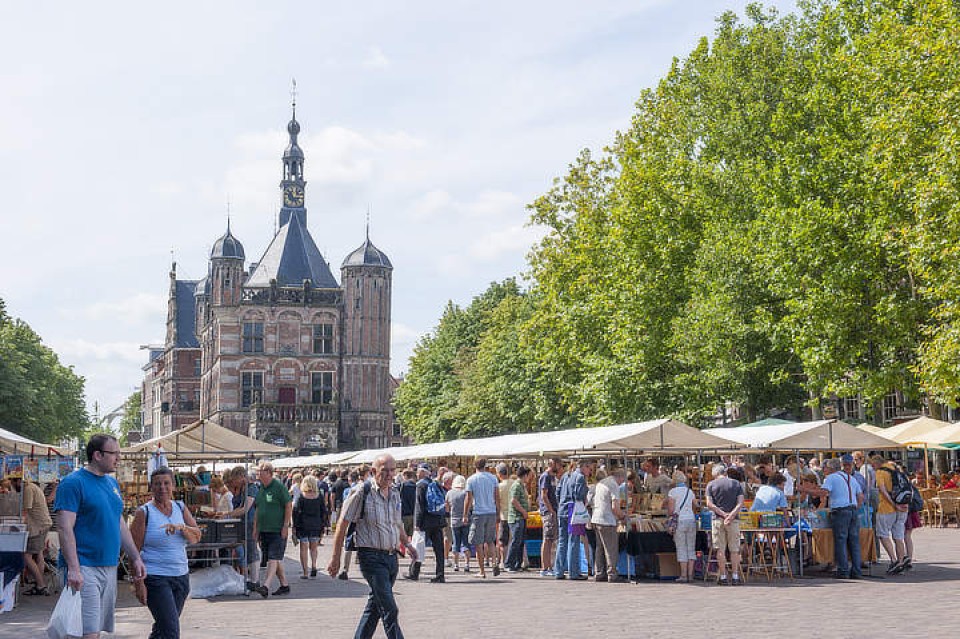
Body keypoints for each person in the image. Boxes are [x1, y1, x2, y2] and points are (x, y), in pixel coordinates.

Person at [56, 434, 147, 639]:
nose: (119, 458)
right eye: (114, 453)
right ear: (97, 455)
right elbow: (64, 527)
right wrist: (74, 568)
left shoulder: (112, 484)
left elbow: (119, 523)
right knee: (88, 632)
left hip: (109, 566)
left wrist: (135, 557)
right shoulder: (73, 483)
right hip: (84, 565)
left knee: (93, 629)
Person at [327, 454, 417, 639]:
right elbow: (342, 525)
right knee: (390, 609)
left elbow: (396, 523)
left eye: (393, 470)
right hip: (371, 557)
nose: (390, 475)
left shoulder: (394, 492)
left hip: (391, 557)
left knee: (375, 607)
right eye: (385, 471)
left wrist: (407, 544)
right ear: (373, 471)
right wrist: (335, 558)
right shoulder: (362, 492)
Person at [130, 467, 202, 639]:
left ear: (173, 487)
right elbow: (134, 552)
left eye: (166, 483)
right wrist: (138, 584)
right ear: (151, 487)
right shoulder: (144, 512)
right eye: (157, 484)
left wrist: (182, 528)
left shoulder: (180, 507)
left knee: (163, 628)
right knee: (171, 630)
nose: (162, 487)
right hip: (156, 578)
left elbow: (197, 537)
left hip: (181, 577)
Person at [811, 457, 864, 579]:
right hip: (853, 510)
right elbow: (860, 497)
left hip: (840, 511)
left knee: (841, 541)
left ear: (830, 469)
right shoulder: (851, 478)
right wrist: (855, 507)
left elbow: (823, 493)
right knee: (854, 542)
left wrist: (805, 490)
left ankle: (843, 570)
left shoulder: (831, 478)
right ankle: (856, 571)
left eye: (825, 468)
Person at [252, 461, 292, 597]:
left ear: (268, 473)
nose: (257, 474)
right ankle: (284, 585)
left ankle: (266, 585)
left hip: (277, 529)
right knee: (274, 558)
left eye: (260, 472)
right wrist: (256, 528)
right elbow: (258, 508)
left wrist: (286, 526)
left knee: (273, 558)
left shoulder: (279, 487)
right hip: (265, 529)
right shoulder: (261, 488)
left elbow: (288, 505)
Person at [705, 463, 744, 585]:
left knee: (720, 549)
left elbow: (709, 504)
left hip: (717, 519)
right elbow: (740, 502)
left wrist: (722, 514)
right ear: (725, 472)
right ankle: (735, 576)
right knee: (734, 549)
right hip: (734, 520)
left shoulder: (710, 485)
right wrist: (731, 515)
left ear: (715, 474)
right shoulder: (736, 484)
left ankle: (722, 576)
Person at [406, 464, 445, 582]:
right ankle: (440, 574)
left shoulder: (420, 485)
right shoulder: (436, 484)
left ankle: (414, 573)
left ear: (423, 473)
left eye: (418, 472)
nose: (417, 474)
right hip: (437, 520)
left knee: (418, 546)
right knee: (439, 549)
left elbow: (419, 505)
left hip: (425, 522)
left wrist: (417, 523)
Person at [462, 458, 500, 579]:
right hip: (491, 511)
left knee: (478, 543)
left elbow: (468, 498)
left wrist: (465, 514)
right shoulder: (493, 478)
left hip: (478, 512)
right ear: (485, 466)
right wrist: (498, 512)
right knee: (490, 540)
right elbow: (497, 496)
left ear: (475, 466)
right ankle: (494, 562)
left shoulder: (471, 479)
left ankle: (482, 571)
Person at [872, 455, 909, 574]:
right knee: (898, 536)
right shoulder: (896, 468)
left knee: (883, 534)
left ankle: (893, 559)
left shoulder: (880, 472)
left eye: (873, 465)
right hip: (903, 506)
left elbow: (882, 490)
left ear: (876, 464)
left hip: (886, 508)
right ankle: (901, 561)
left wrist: (893, 504)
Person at [557, 459, 592, 581]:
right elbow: (578, 495)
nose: (590, 471)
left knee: (562, 541)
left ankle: (559, 571)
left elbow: (558, 492)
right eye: (589, 468)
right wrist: (587, 491)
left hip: (562, 510)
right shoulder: (580, 477)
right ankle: (574, 572)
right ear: (584, 467)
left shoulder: (565, 475)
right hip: (573, 511)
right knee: (574, 541)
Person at [18, 477, 53, 596]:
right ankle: (40, 584)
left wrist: (17, 525)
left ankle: (41, 585)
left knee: (26, 556)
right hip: (42, 524)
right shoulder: (33, 487)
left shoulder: (28, 489)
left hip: (37, 526)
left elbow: (25, 512)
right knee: (38, 554)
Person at [591, 467, 626, 583]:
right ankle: (612, 573)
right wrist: (622, 516)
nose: (622, 483)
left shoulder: (602, 482)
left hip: (596, 517)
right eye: (622, 480)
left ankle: (599, 572)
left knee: (599, 548)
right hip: (607, 520)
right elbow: (615, 507)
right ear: (620, 477)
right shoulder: (613, 485)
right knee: (611, 548)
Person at [293, 475, 326, 579]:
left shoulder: (301, 496)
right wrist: (323, 524)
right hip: (316, 524)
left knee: (303, 548)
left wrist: (294, 525)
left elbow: (295, 511)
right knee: (314, 548)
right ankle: (314, 565)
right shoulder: (319, 495)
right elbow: (323, 511)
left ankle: (305, 572)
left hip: (303, 525)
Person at [505, 466, 531, 572]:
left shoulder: (522, 486)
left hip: (521, 517)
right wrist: (523, 511)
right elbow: (513, 501)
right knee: (516, 541)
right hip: (516, 517)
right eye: (529, 475)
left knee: (520, 541)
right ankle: (509, 563)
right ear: (525, 475)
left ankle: (518, 563)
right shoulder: (516, 485)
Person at [537, 457, 560, 577]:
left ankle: (549, 566)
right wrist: (551, 511)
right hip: (548, 512)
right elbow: (544, 495)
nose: (560, 467)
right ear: (553, 464)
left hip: (552, 510)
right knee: (547, 538)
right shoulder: (546, 476)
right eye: (559, 464)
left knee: (550, 539)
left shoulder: (552, 477)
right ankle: (544, 567)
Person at [445, 475, 470, 571]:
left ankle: (456, 564)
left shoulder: (449, 493)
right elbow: (471, 505)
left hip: (454, 521)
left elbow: (447, 508)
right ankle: (467, 564)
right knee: (465, 543)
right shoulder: (466, 493)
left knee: (456, 543)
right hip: (466, 520)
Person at [495, 463, 514, 572]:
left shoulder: (499, 486)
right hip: (515, 515)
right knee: (513, 540)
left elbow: (497, 501)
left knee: (503, 540)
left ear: (499, 474)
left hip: (503, 516)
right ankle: (512, 561)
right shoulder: (514, 483)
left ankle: (503, 561)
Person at [399, 469, 417, 538]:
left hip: (403, 515)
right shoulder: (416, 486)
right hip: (414, 515)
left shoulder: (401, 486)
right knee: (414, 538)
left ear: (405, 476)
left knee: (403, 537)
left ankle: (404, 549)